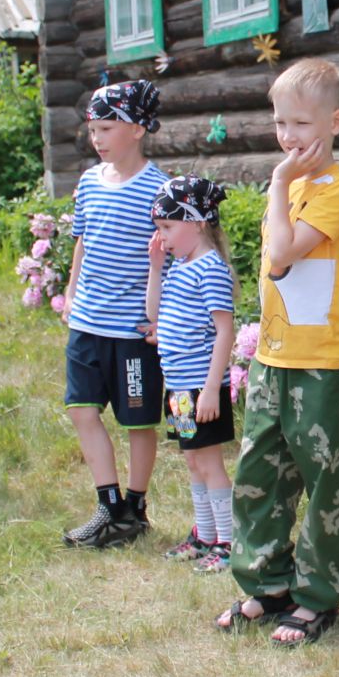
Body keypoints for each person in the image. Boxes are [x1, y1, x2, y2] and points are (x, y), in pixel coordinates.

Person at [215, 58, 339, 647]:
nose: (288, 136)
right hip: (274, 360)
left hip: (324, 364)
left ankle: (316, 598)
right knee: (260, 476)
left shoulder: (337, 191)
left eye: (301, 123)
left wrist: (277, 185)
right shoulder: (294, 186)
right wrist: (284, 185)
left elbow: (281, 256)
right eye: (280, 122)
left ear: (335, 121)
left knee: (324, 481)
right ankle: (266, 585)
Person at [60, 80, 168, 550]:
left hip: (133, 331)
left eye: (107, 128)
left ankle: (136, 508)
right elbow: (82, 241)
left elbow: (174, 256)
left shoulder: (159, 188)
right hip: (87, 323)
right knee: (82, 410)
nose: (97, 139)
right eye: (93, 129)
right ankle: (107, 505)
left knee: (138, 421)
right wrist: (69, 293)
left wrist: (163, 320)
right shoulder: (88, 182)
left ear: (138, 129)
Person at [145, 175, 238, 571]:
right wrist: (154, 267)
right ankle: (203, 535)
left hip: (202, 387)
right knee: (193, 461)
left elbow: (225, 329)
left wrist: (213, 390)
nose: (161, 236)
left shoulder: (209, 269)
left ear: (197, 222)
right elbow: (153, 317)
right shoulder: (178, 268)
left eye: (167, 227)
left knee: (210, 463)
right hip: (179, 388)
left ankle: (229, 543)